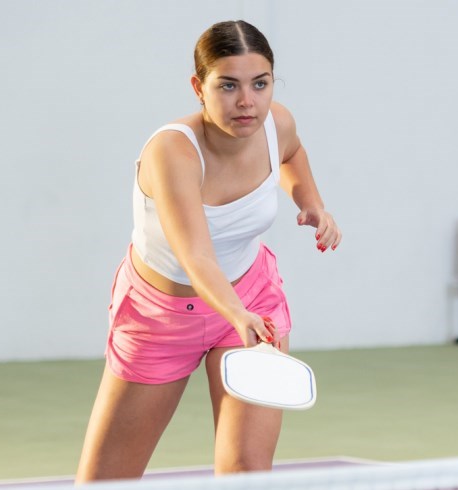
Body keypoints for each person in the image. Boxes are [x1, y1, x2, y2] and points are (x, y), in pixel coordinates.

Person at [76, 20, 342, 482]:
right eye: (228, 85)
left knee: (246, 471)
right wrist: (237, 315)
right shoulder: (171, 152)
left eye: (260, 84)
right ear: (199, 87)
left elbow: (292, 154)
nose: (247, 101)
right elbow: (195, 255)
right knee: (107, 479)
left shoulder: (276, 122)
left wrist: (311, 202)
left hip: (252, 298)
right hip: (160, 317)